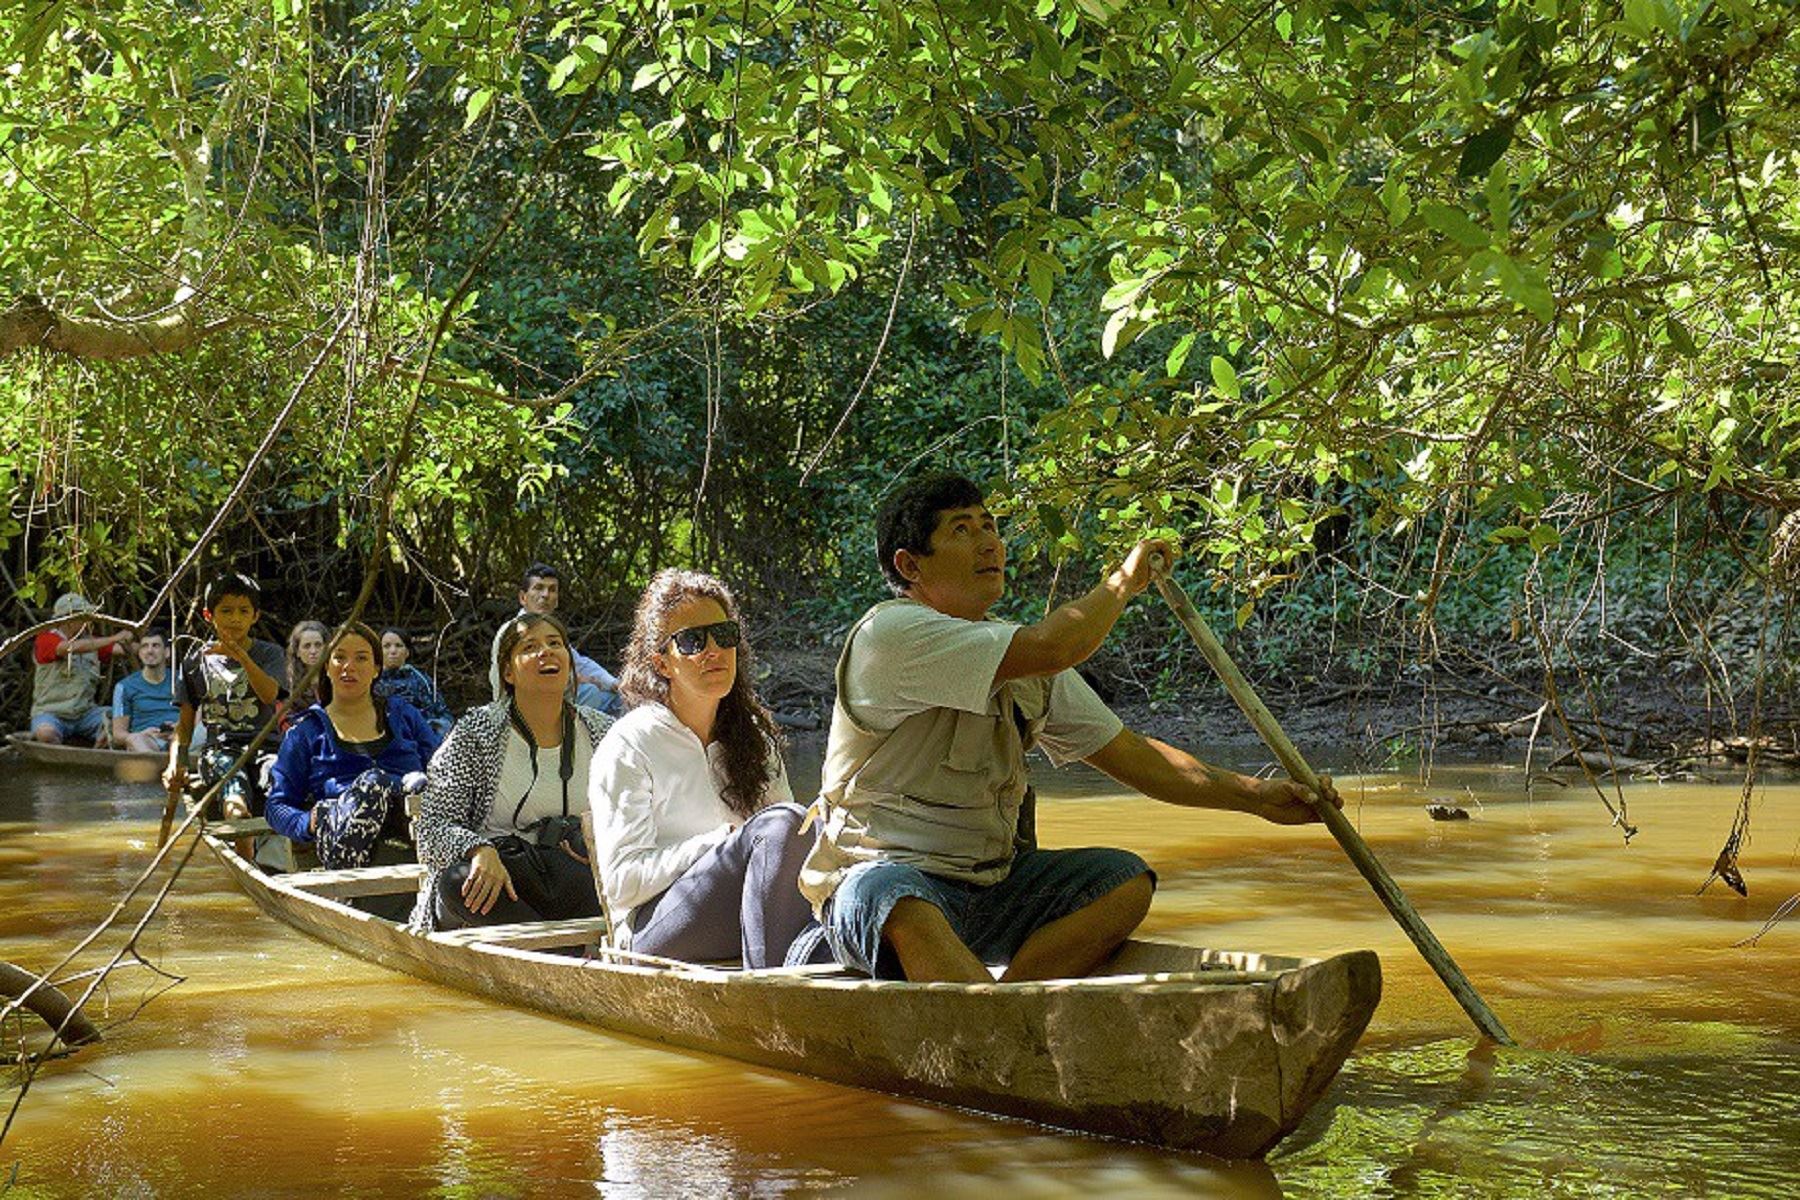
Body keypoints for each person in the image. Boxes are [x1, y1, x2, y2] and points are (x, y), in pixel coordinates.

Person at [798, 471, 1341, 983]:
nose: (988, 542)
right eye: (961, 531)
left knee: (1122, 882)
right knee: (900, 897)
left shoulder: (1021, 662)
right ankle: (984, 1023)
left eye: (989, 525)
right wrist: (1125, 583)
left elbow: (1135, 757)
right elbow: (1058, 643)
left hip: (990, 890)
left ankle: (1009, 1007)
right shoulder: (890, 635)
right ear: (910, 566)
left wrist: (1258, 798)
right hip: (876, 888)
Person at [589, 570, 818, 969]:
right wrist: (715, 843)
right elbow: (622, 884)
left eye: (724, 635)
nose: (713, 651)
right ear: (661, 662)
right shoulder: (630, 744)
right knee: (781, 824)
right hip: (654, 928)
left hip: (747, 915)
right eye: (693, 641)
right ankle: (774, 998)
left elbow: (789, 851)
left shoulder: (754, 740)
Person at [410, 611, 613, 932]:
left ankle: (561, 956)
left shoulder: (603, 731)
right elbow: (432, 829)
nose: (545, 652)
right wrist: (478, 849)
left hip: (571, 876)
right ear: (508, 672)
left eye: (555, 643)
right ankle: (564, 957)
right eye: (529, 646)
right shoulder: (476, 732)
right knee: (456, 883)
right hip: (501, 877)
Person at [266, 623, 443, 870]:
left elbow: (443, 772)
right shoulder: (306, 731)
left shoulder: (404, 715)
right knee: (373, 783)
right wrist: (309, 822)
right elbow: (277, 806)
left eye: (361, 658)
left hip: (414, 840)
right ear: (327, 667)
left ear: (376, 669)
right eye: (339, 658)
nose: (349, 666)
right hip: (347, 856)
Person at [164, 573, 288, 821]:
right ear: (209, 615)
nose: (235, 619)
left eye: (244, 611)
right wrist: (175, 763)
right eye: (226, 611)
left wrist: (240, 655)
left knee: (280, 781)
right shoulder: (195, 660)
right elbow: (185, 724)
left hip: (267, 748)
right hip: (220, 751)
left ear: (255, 616)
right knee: (234, 796)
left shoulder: (271, 654)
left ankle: (277, 848)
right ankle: (243, 851)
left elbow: (270, 695)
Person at [487, 563, 621, 715]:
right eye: (538, 588)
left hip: (558, 700)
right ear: (523, 598)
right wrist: (573, 680)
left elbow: (579, 662)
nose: (545, 595)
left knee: (620, 698)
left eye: (552, 590)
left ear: (556, 600)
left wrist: (613, 683)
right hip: (524, 708)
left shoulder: (550, 629)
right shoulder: (512, 631)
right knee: (592, 693)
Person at [30, 592, 131, 745]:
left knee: (119, 719)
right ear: (68, 620)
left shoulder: (92, 642)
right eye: (83, 617)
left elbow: (122, 649)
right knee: (46, 734)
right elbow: (68, 648)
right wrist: (115, 638)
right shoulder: (46, 640)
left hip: (85, 714)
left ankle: (99, 750)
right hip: (50, 713)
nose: (89, 621)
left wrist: (146, 645)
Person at [373, 627, 453, 735]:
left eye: (398, 646)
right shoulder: (370, 681)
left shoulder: (421, 679)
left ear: (407, 652)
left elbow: (442, 713)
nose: (393, 651)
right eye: (386, 646)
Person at [111, 630, 181, 752]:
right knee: (135, 739)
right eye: (145, 646)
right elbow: (118, 734)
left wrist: (181, 727)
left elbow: (197, 715)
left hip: (182, 739)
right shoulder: (125, 686)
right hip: (148, 741)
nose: (150, 651)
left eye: (156, 646)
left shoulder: (182, 681)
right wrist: (143, 734)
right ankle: (154, 769)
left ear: (167, 652)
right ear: (139, 653)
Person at [284, 619, 329, 715]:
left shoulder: (337, 678)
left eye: (318, 645)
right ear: (297, 652)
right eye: (307, 646)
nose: (313, 651)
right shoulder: (288, 682)